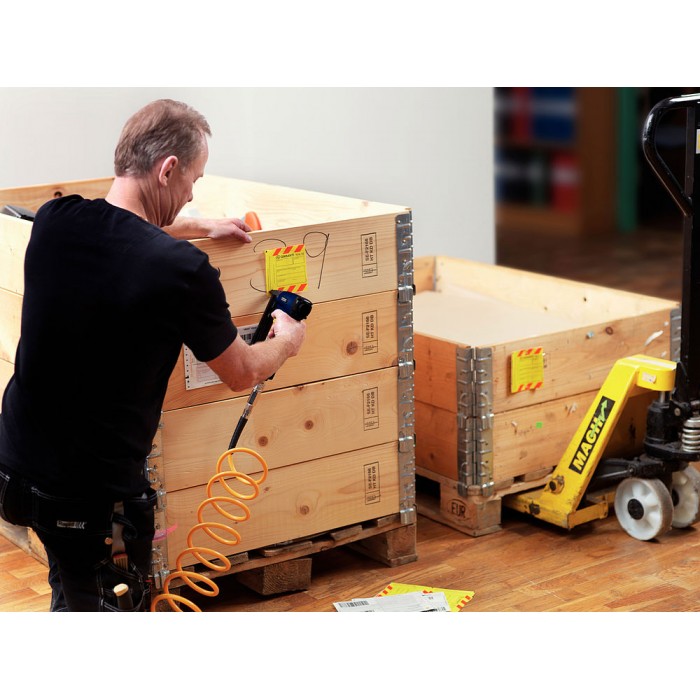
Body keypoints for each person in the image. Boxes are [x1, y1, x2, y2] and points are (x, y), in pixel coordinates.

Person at [0, 98, 307, 611]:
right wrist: (287, 341)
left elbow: (124, 237)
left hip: (16, 469)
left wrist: (199, 226)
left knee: (71, 587)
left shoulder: (56, 219)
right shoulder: (181, 272)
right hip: (93, 499)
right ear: (167, 170)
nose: (191, 195)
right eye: (193, 179)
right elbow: (242, 371)